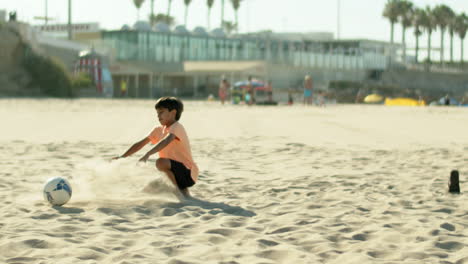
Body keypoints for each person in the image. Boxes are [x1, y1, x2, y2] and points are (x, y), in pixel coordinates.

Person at [113, 97, 198, 198]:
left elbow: (166, 140)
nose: (158, 116)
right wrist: (122, 156)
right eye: (157, 113)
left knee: (160, 162)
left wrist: (148, 154)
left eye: (161, 112)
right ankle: (184, 192)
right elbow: (140, 144)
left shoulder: (177, 127)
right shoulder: (158, 130)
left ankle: (177, 193)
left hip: (188, 173)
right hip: (174, 172)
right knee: (149, 188)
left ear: (173, 113)